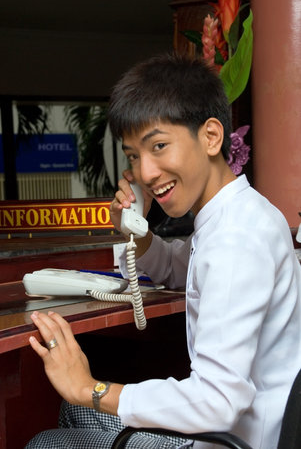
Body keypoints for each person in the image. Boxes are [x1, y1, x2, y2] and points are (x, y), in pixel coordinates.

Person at [25, 53, 301, 449]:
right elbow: (177, 266)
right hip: (239, 426)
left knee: (47, 442)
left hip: (231, 438)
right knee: (75, 413)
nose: (145, 172)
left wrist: (90, 388)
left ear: (211, 136)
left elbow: (217, 401)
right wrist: (134, 229)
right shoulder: (235, 214)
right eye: (134, 156)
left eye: (158, 146)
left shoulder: (236, 241)